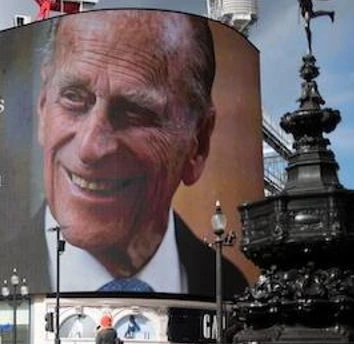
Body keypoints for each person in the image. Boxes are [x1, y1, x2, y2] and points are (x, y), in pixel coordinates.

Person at [37, 11, 247, 297]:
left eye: (134, 112)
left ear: (198, 143)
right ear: (42, 107)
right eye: (73, 97)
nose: (89, 148)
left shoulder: (233, 289)